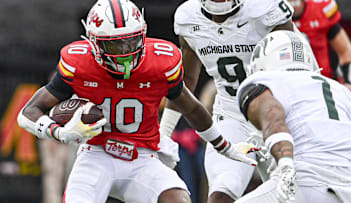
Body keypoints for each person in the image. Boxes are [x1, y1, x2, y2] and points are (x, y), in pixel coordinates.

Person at [16, 0, 260, 202]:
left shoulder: (161, 61)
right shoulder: (78, 62)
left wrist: (224, 146)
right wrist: (60, 133)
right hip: (96, 154)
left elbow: (192, 108)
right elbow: (29, 111)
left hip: (143, 157)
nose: (125, 51)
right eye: (115, 44)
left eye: (131, 41)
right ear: (94, 43)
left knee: (179, 199)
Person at [159, 0, 296, 202]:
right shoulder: (189, 18)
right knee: (222, 192)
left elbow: (296, 67)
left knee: (291, 193)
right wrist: (164, 134)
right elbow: (185, 82)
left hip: (277, 111)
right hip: (233, 113)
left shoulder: (265, 8)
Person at [235, 30, 351, 203]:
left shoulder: (268, 80)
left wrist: (286, 164)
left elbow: (272, 115)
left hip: (304, 182)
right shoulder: (341, 91)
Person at [288, 0, 351, 95]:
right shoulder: (267, 15)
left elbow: (346, 52)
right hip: (288, 88)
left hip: (324, 87)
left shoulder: (322, 9)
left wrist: (349, 83)